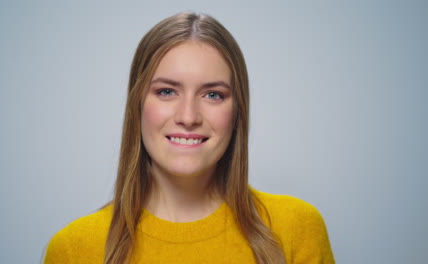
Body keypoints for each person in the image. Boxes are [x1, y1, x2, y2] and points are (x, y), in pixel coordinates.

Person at [43, 12, 334, 264]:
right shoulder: (74, 248)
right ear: (138, 105)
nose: (188, 116)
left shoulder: (295, 228)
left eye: (213, 95)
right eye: (167, 91)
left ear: (237, 112)